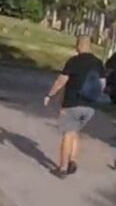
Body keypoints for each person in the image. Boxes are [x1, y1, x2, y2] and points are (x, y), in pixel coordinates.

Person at [44, 35, 105, 178]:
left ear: (79, 45)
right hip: (89, 106)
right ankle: (72, 160)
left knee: (67, 134)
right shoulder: (98, 63)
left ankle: (63, 168)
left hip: (72, 104)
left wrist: (50, 95)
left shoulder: (74, 61)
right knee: (75, 132)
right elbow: (102, 84)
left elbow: (61, 81)